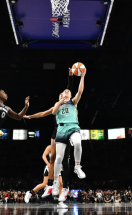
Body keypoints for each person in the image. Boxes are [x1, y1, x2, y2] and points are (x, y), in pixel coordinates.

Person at [23, 69, 74, 200]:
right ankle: (50, 185)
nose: (63, 95)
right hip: (56, 132)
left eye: (64, 95)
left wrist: (70, 76)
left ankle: (60, 188)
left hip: (66, 131)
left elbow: (69, 88)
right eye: (61, 95)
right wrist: (30, 116)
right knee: (53, 159)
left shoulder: (69, 103)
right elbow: (42, 113)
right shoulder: (56, 107)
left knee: (62, 160)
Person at [52, 70, 86, 203]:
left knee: (78, 143)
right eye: (64, 92)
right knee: (59, 158)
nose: (67, 92)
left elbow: (80, 91)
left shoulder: (73, 102)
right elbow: (54, 112)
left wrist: (82, 77)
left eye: (68, 91)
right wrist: (60, 101)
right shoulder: (58, 105)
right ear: (60, 95)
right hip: (61, 129)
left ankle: (77, 166)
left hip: (73, 127)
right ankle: (55, 182)